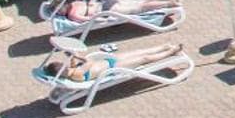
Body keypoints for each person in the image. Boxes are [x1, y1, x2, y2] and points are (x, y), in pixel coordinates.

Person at [40, 42, 185, 85]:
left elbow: (74, 63)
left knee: (139, 51)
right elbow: (89, 61)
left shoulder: (71, 69)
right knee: (144, 59)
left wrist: (72, 56)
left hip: (110, 61)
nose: (65, 65)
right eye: (63, 66)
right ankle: (171, 52)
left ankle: (163, 46)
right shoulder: (76, 74)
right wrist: (78, 57)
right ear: (62, 72)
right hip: (114, 67)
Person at [52, 0, 182, 24]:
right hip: (105, 2)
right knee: (139, 1)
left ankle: (169, 3)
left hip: (108, 10)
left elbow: (90, 19)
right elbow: (90, 3)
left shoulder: (72, 14)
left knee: (140, 7)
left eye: (58, 11)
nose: (59, 13)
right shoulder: (74, 3)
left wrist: (105, 19)